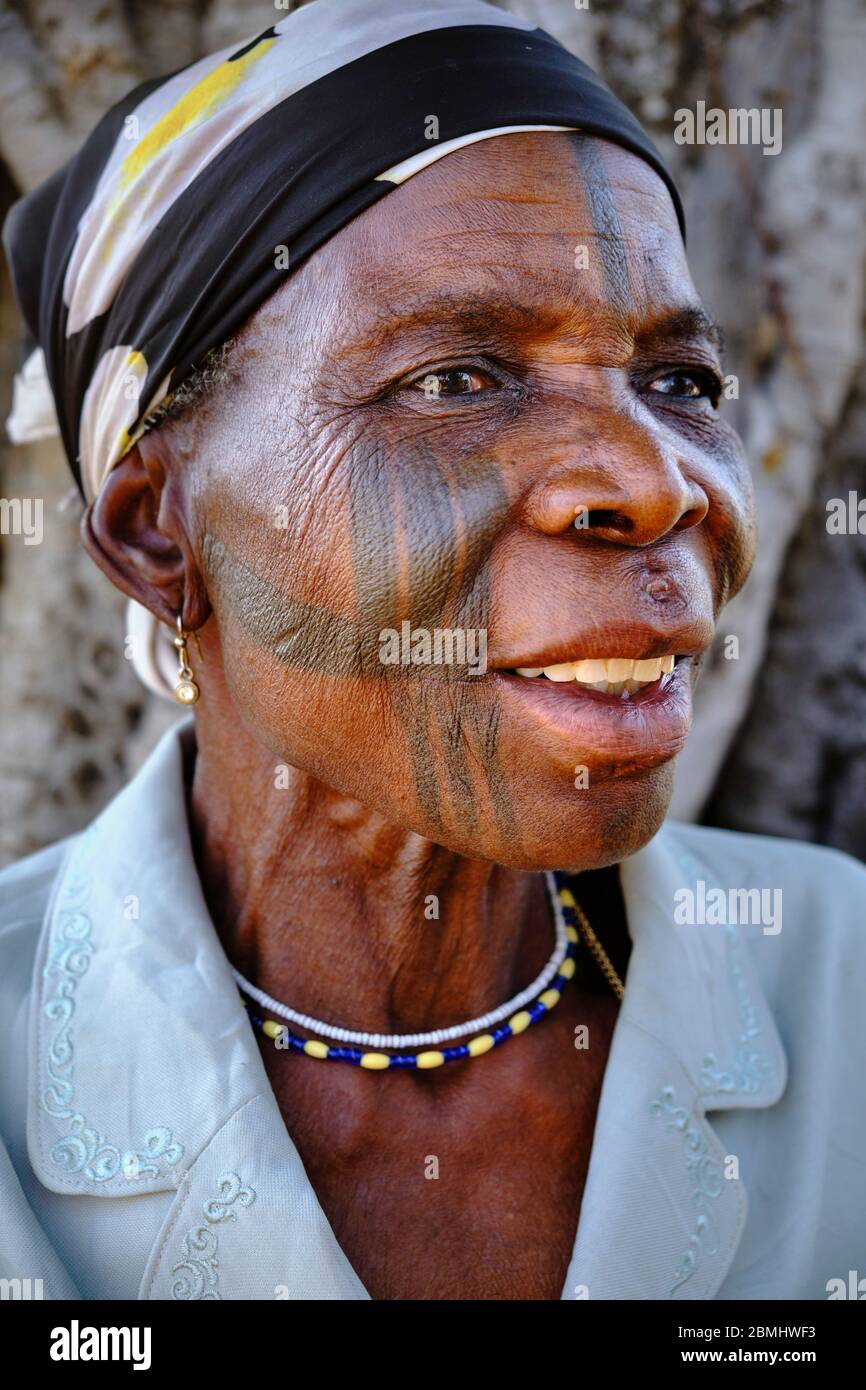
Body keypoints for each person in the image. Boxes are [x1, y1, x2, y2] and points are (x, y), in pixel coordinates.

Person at [1, 0, 864, 1302]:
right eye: (455, 378)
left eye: (676, 379)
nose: (650, 481)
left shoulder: (841, 977)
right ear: (154, 530)